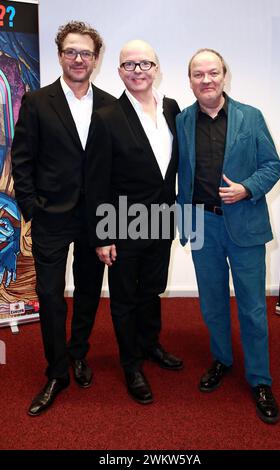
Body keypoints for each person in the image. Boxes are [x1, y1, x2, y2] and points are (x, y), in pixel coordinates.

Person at [11, 21, 116, 416]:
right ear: (60, 55)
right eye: (71, 51)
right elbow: (22, 159)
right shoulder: (38, 101)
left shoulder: (110, 104)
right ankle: (56, 371)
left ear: (95, 59)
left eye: (85, 53)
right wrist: (30, 208)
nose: (78, 59)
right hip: (50, 217)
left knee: (89, 293)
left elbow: (114, 165)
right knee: (51, 296)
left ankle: (78, 354)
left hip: (95, 220)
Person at [176, 48, 280, 424]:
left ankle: (260, 380)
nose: (206, 80)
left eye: (213, 73)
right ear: (190, 80)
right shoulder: (182, 120)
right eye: (198, 74)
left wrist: (247, 188)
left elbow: (273, 165)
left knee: (253, 308)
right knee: (212, 304)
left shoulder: (250, 117)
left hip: (245, 224)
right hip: (203, 226)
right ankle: (222, 359)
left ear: (224, 76)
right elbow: (177, 173)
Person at [86, 40, 183, 405]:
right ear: (119, 71)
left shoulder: (173, 109)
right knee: (125, 298)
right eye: (129, 65)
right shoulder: (107, 116)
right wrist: (102, 235)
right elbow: (96, 181)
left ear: (156, 68)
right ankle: (131, 364)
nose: (137, 70)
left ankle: (150, 344)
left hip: (161, 218)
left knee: (152, 288)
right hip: (122, 223)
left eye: (144, 64)